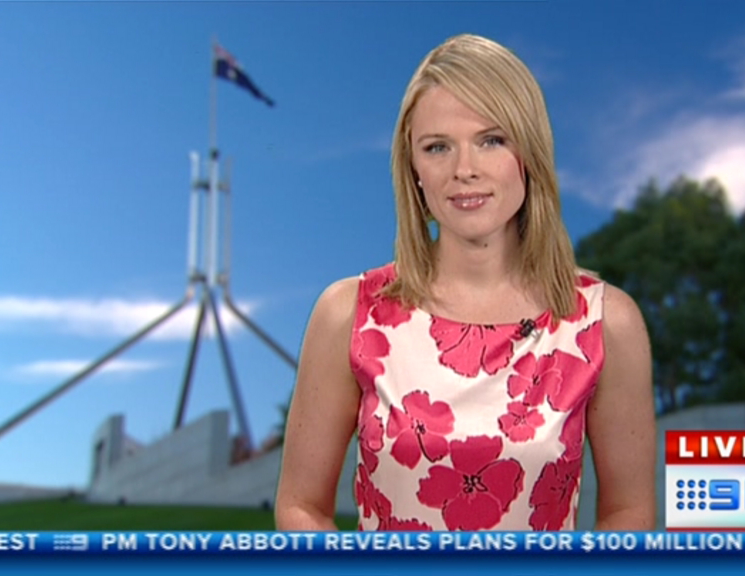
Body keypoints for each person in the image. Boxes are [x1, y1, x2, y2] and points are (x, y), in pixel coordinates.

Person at [275, 33, 655, 531]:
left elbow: (629, 513)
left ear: (529, 153)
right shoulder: (349, 314)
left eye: (491, 140)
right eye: (437, 147)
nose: (464, 170)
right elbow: (301, 507)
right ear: (413, 167)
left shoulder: (604, 323)